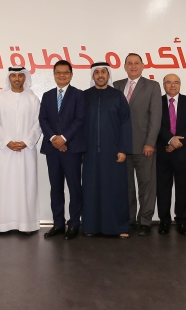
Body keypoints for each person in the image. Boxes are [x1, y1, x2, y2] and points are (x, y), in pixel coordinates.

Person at [113, 54, 162, 235]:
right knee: (126, 186)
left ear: (143, 66)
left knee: (146, 185)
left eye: (136, 63)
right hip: (122, 148)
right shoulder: (116, 86)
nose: (133, 66)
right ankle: (130, 219)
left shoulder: (152, 86)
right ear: (125, 66)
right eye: (130, 63)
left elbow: (155, 117)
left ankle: (145, 221)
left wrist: (150, 143)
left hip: (144, 146)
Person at [0, 66, 43, 234]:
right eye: (13, 76)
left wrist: (27, 142)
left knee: (26, 186)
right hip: (6, 151)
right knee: (5, 186)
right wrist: (7, 142)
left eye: (20, 75)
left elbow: (38, 123)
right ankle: (3, 225)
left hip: (27, 151)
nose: (17, 79)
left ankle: (26, 225)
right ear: (9, 78)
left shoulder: (33, 99)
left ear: (25, 78)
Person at [82, 62, 131, 238]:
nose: (100, 75)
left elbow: (126, 123)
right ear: (92, 76)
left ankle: (119, 227)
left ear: (108, 75)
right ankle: (91, 226)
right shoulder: (85, 96)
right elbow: (79, 124)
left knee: (114, 190)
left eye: (103, 72)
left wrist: (123, 149)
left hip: (113, 152)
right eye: (97, 72)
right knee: (91, 189)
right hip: (90, 153)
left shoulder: (117, 96)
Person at [38, 60, 85, 240]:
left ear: (71, 74)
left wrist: (63, 138)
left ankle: (74, 224)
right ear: (54, 74)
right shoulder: (47, 95)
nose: (62, 75)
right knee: (55, 187)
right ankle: (58, 223)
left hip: (72, 148)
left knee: (74, 187)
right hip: (52, 150)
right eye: (58, 72)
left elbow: (80, 120)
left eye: (65, 72)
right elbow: (43, 120)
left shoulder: (79, 95)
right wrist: (53, 139)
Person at [155, 73, 186, 236]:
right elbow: (155, 124)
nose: (172, 85)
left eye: (176, 82)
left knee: (182, 189)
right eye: (169, 83)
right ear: (163, 85)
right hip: (162, 154)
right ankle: (164, 222)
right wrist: (170, 140)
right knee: (163, 190)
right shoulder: (156, 102)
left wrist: (177, 143)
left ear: (180, 84)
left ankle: (181, 222)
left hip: (183, 153)